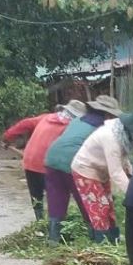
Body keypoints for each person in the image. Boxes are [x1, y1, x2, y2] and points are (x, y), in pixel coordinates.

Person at [71, 107, 133, 242]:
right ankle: (101, 244)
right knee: (99, 207)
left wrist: (132, 176)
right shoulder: (111, 137)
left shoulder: (122, 134)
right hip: (85, 169)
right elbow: (116, 172)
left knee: (108, 205)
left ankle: (113, 239)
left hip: (100, 169)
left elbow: (124, 159)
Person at [44, 94, 122, 242]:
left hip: (51, 158)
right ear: (108, 114)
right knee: (88, 199)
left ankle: (53, 239)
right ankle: (97, 238)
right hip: (73, 161)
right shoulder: (104, 128)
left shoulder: (77, 120)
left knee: (57, 198)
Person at [3, 100, 86, 220]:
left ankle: (39, 222)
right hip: (49, 164)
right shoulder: (72, 127)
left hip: (30, 161)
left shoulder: (46, 117)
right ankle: (56, 227)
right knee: (58, 198)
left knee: (36, 196)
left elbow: (24, 124)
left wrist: (7, 137)